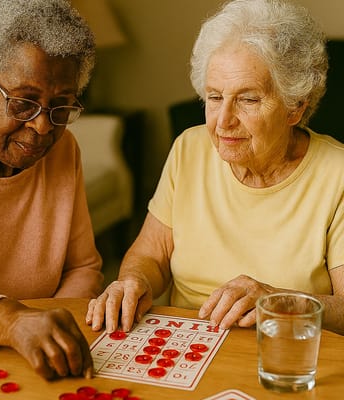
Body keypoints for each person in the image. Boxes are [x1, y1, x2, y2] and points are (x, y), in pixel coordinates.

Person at [86, 0, 344, 336]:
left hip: (284, 354)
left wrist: (278, 302)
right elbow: (150, 254)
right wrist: (132, 282)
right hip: (187, 350)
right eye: (215, 97)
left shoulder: (336, 173)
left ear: (294, 108)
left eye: (248, 99)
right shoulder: (189, 148)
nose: (223, 122)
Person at [0, 0, 104, 380]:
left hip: (34, 366)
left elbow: (82, 266)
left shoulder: (64, 150)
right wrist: (13, 323)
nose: (43, 127)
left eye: (60, 107)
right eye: (23, 102)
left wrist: (53, 330)